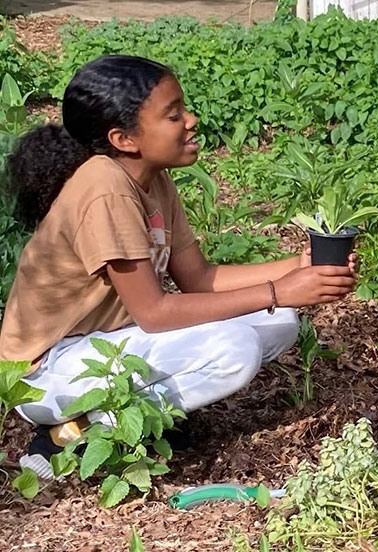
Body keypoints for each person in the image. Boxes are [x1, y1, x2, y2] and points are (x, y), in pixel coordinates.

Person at [0, 55, 358, 478]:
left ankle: (139, 420)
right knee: (236, 347)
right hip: (45, 374)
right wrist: (278, 290)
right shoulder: (105, 188)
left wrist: (298, 268)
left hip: (99, 345)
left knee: (279, 321)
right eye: (173, 115)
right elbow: (154, 313)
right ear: (124, 138)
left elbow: (200, 280)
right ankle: (72, 436)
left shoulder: (151, 179)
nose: (191, 120)